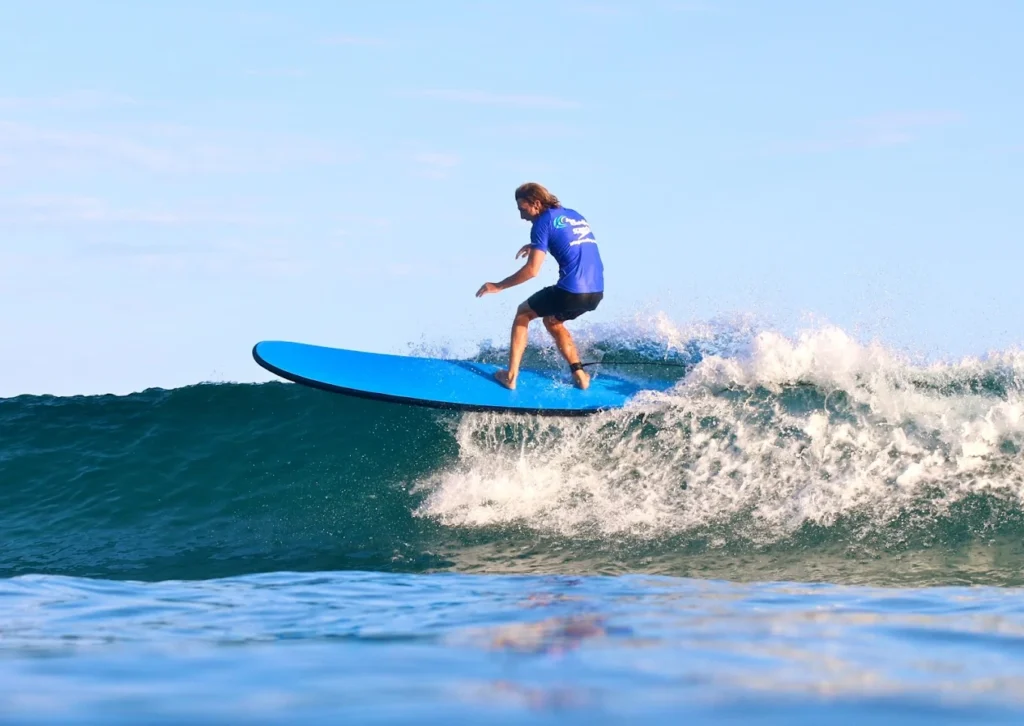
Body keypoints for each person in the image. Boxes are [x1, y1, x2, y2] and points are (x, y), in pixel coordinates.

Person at [476, 182, 604, 391]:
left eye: (523, 209)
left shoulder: (542, 223)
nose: (521, 216)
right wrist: (537, 245)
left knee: (523, 313)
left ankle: (510, 376)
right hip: (595, 293)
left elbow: (532, 271)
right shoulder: (574, 215)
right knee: (553, 321)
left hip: (570, 291)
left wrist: (498, 286)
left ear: (536, 204)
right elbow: (571, 242)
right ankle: (579, 374)